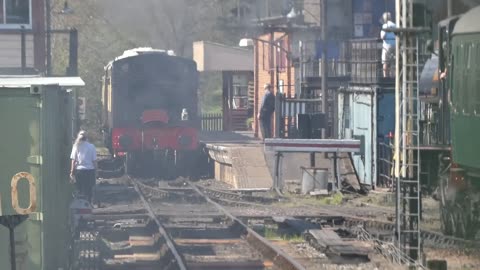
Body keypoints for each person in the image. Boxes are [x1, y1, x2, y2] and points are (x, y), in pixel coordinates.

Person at [70, 130, 97, 203]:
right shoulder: (92, 147)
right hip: (89, 171)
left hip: (79, 171)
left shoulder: (76, 146)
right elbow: (94, 161)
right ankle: (88, 204)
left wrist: (72, 172)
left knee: (79, 190)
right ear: (86, 137)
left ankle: (80, 205)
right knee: (88, 190)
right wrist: (96, 171)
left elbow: (73, 160)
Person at [380, 12, 396, 77]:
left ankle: (385, 76)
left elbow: (382, 36)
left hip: (387, 46)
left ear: (384, 19)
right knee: (394, 62)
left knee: (385, 61)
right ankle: (394, 76)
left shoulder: (385, 25)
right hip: (395, 45)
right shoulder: (395, 25)